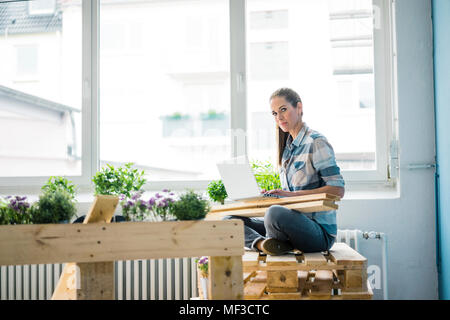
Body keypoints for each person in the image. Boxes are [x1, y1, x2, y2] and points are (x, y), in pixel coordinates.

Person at [223, 88, 345, 255]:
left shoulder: (316, 142)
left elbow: (337, 190)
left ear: (299, 108)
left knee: (275, 213)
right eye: (274, 113)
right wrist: (274, 195)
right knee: (230, 221)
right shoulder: (287, 150)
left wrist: (287, 196)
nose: (279, 117)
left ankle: (273, 242)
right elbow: (290, 197)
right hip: (290, 225)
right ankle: (264, 244)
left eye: (283, 110)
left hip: (318, 233)